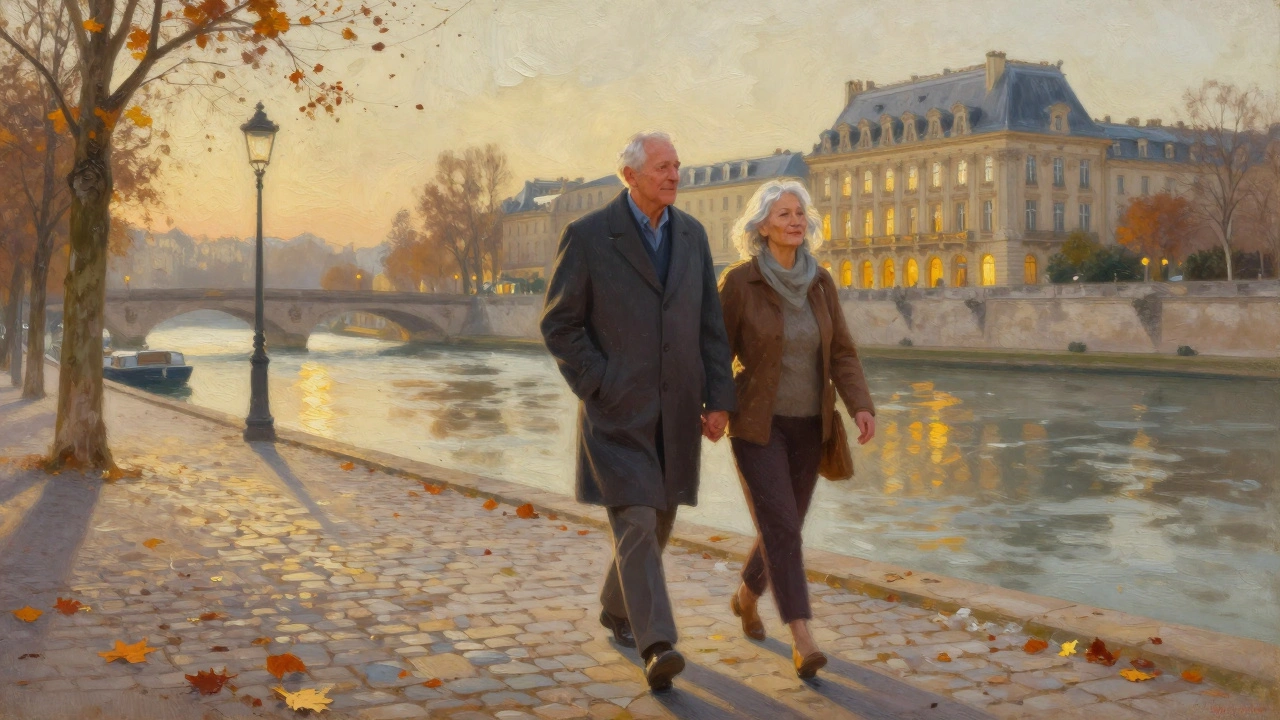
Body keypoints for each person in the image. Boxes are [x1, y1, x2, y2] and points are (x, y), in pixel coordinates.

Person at [540, 131, 736, 692]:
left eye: (678, 166)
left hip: (677, 410)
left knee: (661, 516)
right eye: (662, 167)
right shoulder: (587, 236)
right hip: (615, 413)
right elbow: (559, 324)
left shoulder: (693, 236)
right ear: (629, 175)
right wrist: (598, 382)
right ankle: (657, 644)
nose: (675, 176)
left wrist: (719, 398)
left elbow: (710, 327)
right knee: (638, 518)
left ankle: (615, 604)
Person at [715, 180, 876, 679]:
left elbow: (843, 351)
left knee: (785, 526)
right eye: (783, 213)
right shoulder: (740, 283)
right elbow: (715, 352)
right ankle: (802, 635)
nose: (794, 220)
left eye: (799, 212)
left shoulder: (820, 282)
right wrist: (714, 407)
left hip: (812, 425)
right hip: (757, 426)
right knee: (783, 526)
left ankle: (746, 596)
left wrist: (860, 405)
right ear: (762, 226)